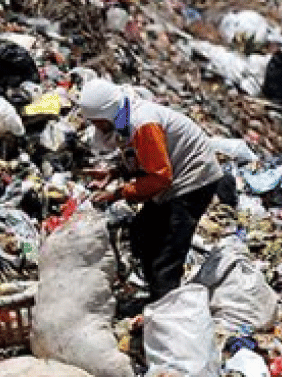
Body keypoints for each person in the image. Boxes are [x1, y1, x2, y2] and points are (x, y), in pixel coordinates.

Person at [78, 77, 223, 303]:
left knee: (166, 253)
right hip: (174, 180)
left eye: (98, 122)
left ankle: (167, 314)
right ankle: (156, 298)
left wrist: (118, 193)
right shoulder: (125, 118)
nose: (98, 128)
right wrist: (115, 173)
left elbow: (159, 177)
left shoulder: (142, 123)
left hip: (193, 180)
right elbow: (142, 158)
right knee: (142, 234)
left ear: (107, 115)